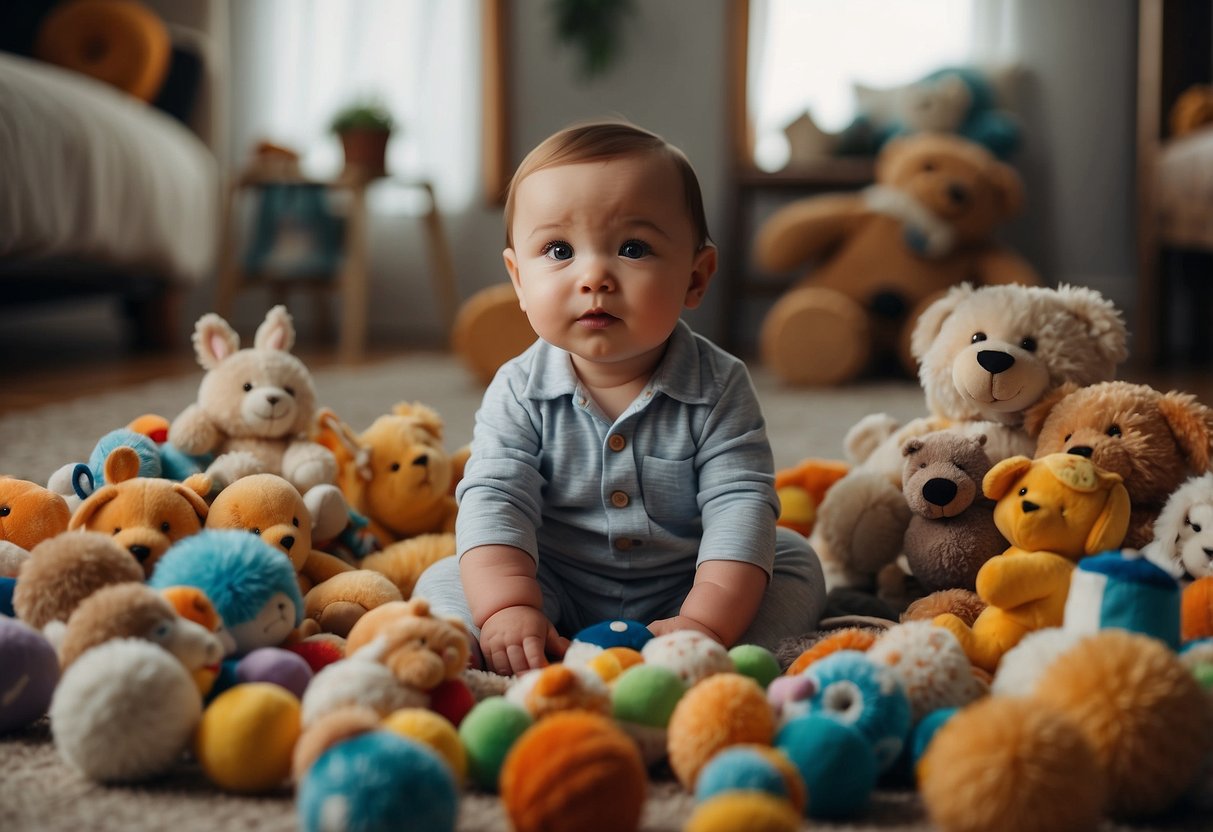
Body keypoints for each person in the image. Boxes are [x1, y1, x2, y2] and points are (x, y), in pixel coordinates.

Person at [414, 120, 826, 675]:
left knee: (793, 560)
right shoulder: (518, 389)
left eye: (633, 248)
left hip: (689, 584)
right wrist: (508, 606)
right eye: (559, 249)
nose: (595, 276)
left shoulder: (720, 385)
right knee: (451, 572)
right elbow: (497, 499)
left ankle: (716, 653)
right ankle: (480, 644)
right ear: (517, 279)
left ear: (695, 277)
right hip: (549, 579)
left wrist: (705, 621)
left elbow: (739, 505)